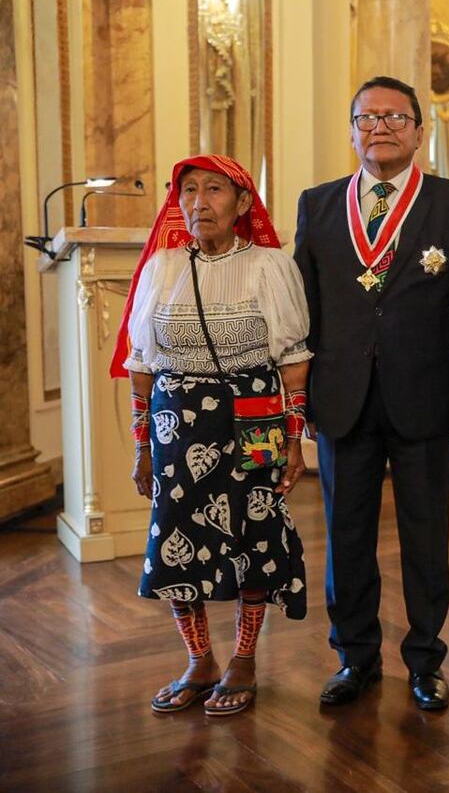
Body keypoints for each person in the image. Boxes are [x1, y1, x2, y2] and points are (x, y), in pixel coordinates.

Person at [294, 76, 449, 711]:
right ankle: (354, 657)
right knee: (346, 534)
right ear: (352, 129)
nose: (380, 127)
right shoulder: (318, 204)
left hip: (426, 400)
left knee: (427, 536)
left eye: (394, 117)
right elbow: (305, 313)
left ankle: (426, 659)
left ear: (419, 129)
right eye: (367, 117)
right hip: (342, 400)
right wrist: (302, 405)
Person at [114, 154, 310, 717]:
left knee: (255, 538)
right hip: (177, 424)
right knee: (176, 541)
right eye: (189, 190)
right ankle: (199, 659)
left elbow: (293, 360)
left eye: (215, 189)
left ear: (243, 203)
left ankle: (244, 659)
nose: (200, 201)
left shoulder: (271, 266)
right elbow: (142, 365)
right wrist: (143, 447)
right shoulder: (162, 268)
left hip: (254, 421)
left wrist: (294, 442)